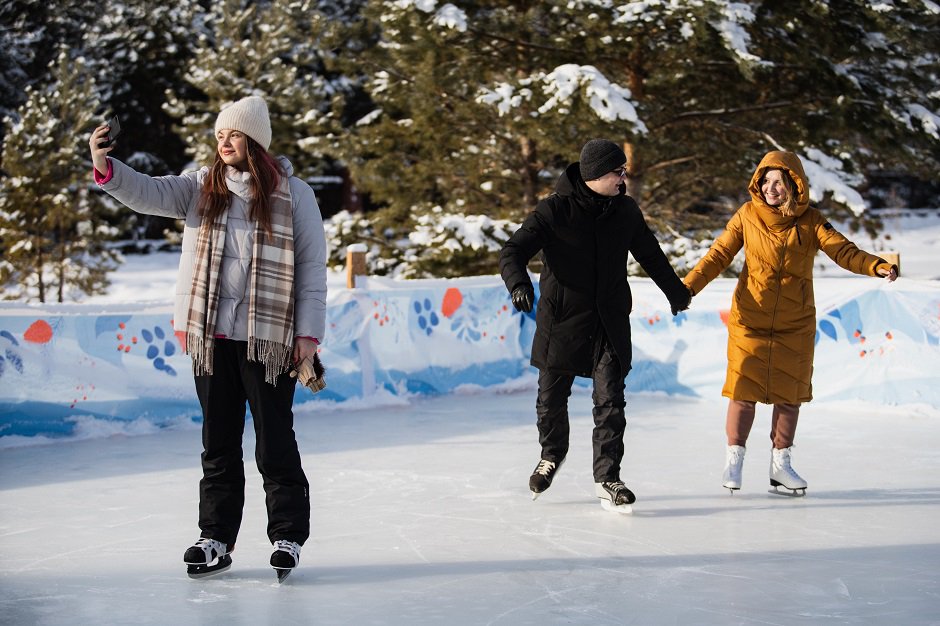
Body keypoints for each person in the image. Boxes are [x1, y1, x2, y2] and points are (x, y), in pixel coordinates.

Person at [89, 96, 327, 580]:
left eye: (234, 134)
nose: (224, 142)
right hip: (211, 337)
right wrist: (104, 164)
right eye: (220, 134)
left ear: (255, 142)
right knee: (217, 443)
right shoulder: (201, 187)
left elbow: (311, 268)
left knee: (274, 442)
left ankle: (286, 536)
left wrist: (308, 334)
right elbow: (148, 192)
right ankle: (215, 536)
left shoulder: (294, 194)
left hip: (269, 339)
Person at [683, 150, 898, 496]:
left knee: (790, 396)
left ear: (794, 185)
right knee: (742, 390)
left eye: (778, 182)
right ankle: (734, 458)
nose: (771, 188)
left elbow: (844, 250)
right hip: (750, 319)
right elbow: (719, 254)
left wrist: (877, 265)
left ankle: (780, 466)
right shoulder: (747, 215)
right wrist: (688, 287)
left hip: (795, 322)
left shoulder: (812, 220)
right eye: (765, 181)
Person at [499, 138, 692, 513]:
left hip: (608, 320)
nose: (624, 179)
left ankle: (608, 478)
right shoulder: (554, 211)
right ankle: (551, 454)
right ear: (597, 175)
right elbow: (512, 251)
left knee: (610, 402)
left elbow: (650, 254)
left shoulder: (626, 212)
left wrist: (675, 292)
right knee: (550, 401)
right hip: (562, 320)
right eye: (618, 173)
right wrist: (519, 284)